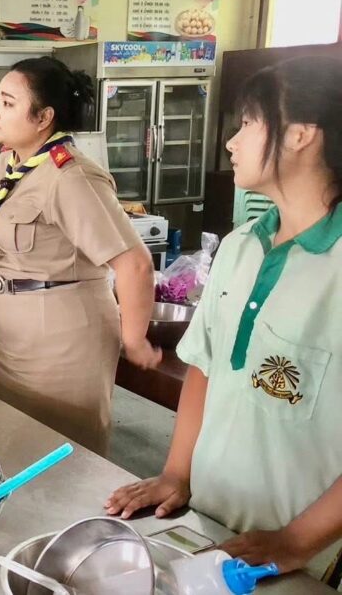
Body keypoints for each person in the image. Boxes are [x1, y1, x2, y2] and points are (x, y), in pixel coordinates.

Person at [106, 57, 342, 585]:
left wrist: (298, 541)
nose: (232, 142)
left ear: (302, 134)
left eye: (249, 123)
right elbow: (204, 366)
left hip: (299, 559)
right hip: (210, 526)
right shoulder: (240, 246)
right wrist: (177, 473)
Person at [0, 57, 161, 455]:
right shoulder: (11, 162)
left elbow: (134, 263)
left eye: (7, 103)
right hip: (12, 338)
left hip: (62, 343)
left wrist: (134, 340)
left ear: (44, 117)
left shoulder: (70, 175)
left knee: (63, 455)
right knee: (13, 449)